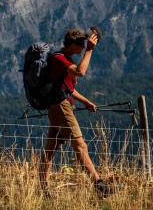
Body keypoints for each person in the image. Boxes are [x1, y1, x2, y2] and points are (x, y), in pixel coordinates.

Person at [39, 28, 110, 198]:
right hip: (61, 107)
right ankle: (99, 184)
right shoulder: (59, 59)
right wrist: (90, 50)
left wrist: (86, 102)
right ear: (72, 45)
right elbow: (81, 72)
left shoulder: (64, 59)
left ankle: (43, 188)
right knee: (80, 145)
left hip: (58, 107)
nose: (81, 49)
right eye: (80, 46)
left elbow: (69, 89)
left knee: (51, 148)